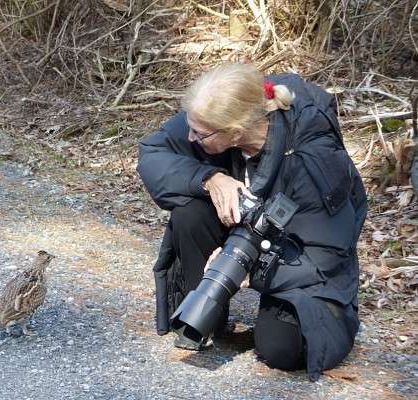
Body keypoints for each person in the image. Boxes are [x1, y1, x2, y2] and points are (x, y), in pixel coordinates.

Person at [136, 63, 367, 381]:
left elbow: (326, 254)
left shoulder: (316, 158)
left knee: (281, 349)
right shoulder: (210, 117)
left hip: (298, 251)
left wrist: (253, 270)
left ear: (235, 131)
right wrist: (208, 177)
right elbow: (151, 152)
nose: (191, 137)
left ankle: (311, 317)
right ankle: (205, 314)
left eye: (200, 134)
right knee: (189, 210)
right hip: (245, 224)